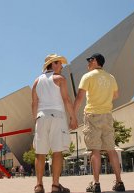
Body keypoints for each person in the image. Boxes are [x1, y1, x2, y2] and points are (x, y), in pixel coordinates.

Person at [74, 53, 125, 192]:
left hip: (92, 115)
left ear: (95, 61)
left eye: (90, 60)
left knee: (94, 150)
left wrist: (72, 114)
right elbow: (116, 95)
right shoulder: (111, 77)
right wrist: (104, 99)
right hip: (107, 115)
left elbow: (79, 97)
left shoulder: (88, 76)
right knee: (111, 149)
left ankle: (96, 184)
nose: (88, 63)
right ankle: (119, 182)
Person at [32, 54, 78, 193]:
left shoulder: (36, 81)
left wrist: (36, 120)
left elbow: (34, 103)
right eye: (59, 63)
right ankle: (55, 185)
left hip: (41, 117)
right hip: (57, 116)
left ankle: (39, 186)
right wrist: (73, 117)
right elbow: (66, 100)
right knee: (57, 152)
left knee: (40, 153)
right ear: (52, 65)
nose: (62, 66)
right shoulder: (59, 79)